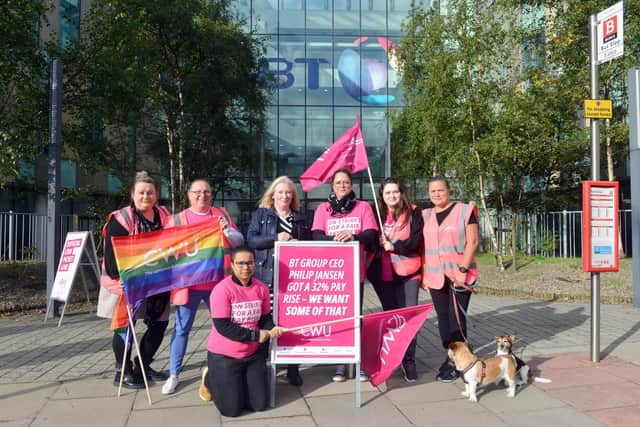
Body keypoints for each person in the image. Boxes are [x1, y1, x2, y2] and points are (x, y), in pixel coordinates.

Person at [162, 179, 244, 395]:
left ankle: (228, 367)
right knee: (181, 329)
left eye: (206, 191)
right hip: (187, 285)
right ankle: (173, 374)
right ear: (189, 195)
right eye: (197, 192)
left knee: (223, 327)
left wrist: (227, 232)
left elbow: (239, 241)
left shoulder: (221, 214)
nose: (202, 195)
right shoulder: (177, 219)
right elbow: (163, 249)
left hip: (218, 284)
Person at [100, 171, 172, 389]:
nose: (145, 197)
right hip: (126, 282)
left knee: (160, 323)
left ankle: (143, 365)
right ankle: (121, 371)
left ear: (156, 195)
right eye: (141, 192)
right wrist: (120, 277)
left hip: (157, 281)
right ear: (133, 194)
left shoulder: (163, 215)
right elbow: (112, 256)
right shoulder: (120, 219)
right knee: (125, 327)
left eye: (150, 193)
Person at [199, 246, 284, 417]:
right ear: (232, 265)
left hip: (252, 355)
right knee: (232, 410)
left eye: (250, 263)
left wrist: (271, 327)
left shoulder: (261, 288)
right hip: (224, 355)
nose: (246, 267)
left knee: (259, 405)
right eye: (240, 263)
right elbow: (223, 326)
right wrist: (255, 335)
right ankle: (209, 379)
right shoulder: (222, 290)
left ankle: (239, 383)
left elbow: (265, 317)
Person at [311, 168, 378, 382]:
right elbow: (316, 236)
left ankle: (358, 364)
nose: (342, 185)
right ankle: (340, 364)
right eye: (338, 182)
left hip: (355, 273)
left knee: (356, 319)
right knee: (339, 320)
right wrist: (335, 240)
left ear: (352, 185)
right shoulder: (323, 209)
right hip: (332, 275)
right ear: (332, 186)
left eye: (346, 182)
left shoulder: (363, 207)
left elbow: (370, 234)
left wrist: (353, 235)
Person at [246, 176, 310, 386]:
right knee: (266, 322)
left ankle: (293, 367)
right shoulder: (262, 214)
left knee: (291, 322)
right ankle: (262, 367)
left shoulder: (299, 218)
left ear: (293, 196)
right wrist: (275, 239)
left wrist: (301, 243)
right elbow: (251, 239)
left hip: (293, 279)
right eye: (280, 192)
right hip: (267, 277)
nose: (284, 196)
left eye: (288, 192)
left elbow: (311, 244)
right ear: (272, 195)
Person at [422, 175, 479, 383]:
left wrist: (463, 270)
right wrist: (424, 275)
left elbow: (472, 241)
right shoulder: (425, 215)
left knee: (456, 321)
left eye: (441, 190)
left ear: (449, 190)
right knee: (443, 321)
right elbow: (423, 247)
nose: (437, 194)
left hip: (459, 277)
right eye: (432, 191)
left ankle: (459, 363)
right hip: (436, 277)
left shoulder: (465, 211)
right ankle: (451, 356)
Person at [366, 177, 423, 382]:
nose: (392, 196)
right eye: (387, 193)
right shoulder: (375, 214)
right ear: (382, 195)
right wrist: (377, 241)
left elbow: (416, 240)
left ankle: (409, 361)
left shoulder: (414, 212)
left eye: (395, 192)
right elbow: (368, 240)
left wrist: (395, 246)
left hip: (409, 273)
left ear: (401, 193)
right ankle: (392, 358)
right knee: (392, 319)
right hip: (383, 275)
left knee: (409, 317)